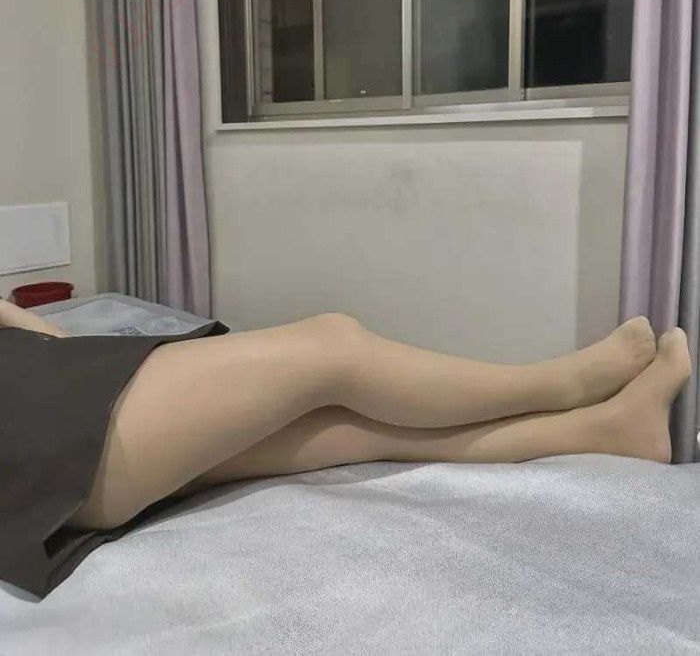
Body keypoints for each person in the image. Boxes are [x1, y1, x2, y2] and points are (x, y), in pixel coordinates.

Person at [0, 297, 690, 598]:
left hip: (35, 391)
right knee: (333, 349)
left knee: (343, 429)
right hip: (31, 430)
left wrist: (53, 342)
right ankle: (559, 383)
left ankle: (603, 430)